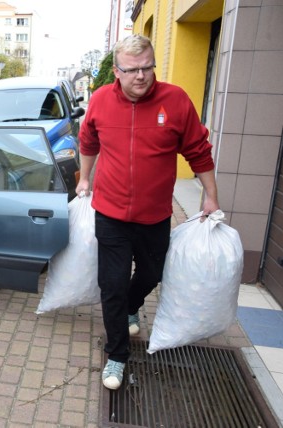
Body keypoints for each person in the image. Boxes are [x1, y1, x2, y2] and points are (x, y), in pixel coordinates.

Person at [75, 34, 220, 390]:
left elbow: (198, 151)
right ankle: (116, 355)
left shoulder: (175, 101)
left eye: (148, 67)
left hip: (155, 214)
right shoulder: (101, 102)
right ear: (117, 71)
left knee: (152, 272)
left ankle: (132, 304)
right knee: (110, 284)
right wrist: (84, 179)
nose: (142, 76)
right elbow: (88, 142)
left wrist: (211, 197)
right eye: (133, 70)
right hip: (109, 212)